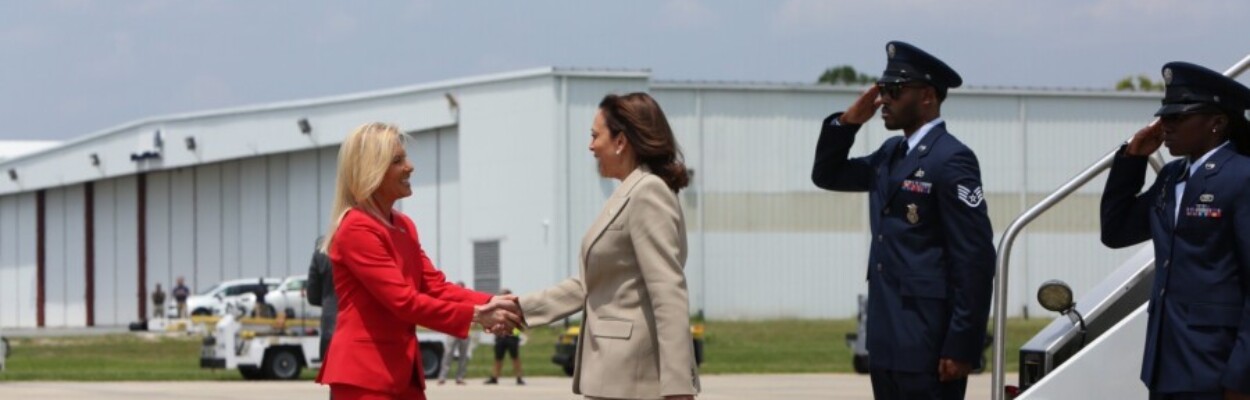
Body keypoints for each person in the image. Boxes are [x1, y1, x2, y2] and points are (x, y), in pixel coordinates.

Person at [810, 41, 995, 400]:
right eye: (882, 90)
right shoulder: (890, 154)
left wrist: (962, 345)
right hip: (887, 342)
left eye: (894, 90)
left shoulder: (951, 159)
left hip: (930, 344)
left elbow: (974, 259)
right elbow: (827, 174)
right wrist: (848, 123)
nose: (883, 101)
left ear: (927, 96)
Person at [314, 122, 523, 400]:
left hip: (400, 373)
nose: (410, 167)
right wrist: (477, 315)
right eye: (398, 161)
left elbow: (436, 287)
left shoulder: (403, 225)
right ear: (372, 172)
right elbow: (403, 301)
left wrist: (491, 302)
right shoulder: (356, 228)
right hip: (365, 377)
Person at [517, 93, 700, 400]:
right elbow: (591, 283)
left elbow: (668, 291)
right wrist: (519, 309)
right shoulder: (628, 193)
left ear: (620, 141)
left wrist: (678, 388)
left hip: (632, 381)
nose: (590, 146)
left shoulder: (647, 192)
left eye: (594, 135)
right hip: (613, 377)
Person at [1100, 62, 1250, 400]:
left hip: (1217, 367)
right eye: (1164, 116)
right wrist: (1131, 159)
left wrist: (1242, 377)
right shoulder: (1172, 177)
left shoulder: (1241, 178)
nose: (1165, 126)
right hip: (1166, 364)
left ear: (1217, 122)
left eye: (1177, 117)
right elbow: (1116, 231)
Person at [306, 235, 337, 366]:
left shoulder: (321, 251)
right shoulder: (364, 245)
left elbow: (312, 296)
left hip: (330, 325)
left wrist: (326, 301)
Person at [485, 288, 524, 386]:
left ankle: (519, 377)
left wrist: (516, 334)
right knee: (498, 358)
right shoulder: (498, 309)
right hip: (501, 336)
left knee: (515, 358)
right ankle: (494, 377)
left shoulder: (515, 309)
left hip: (512, 337)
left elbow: (519, 324)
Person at [438, 281, 473, 386]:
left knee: (463, 355)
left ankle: (460, 377)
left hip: (465, 330)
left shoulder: (468, 301)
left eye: (461, 288)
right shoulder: (451, 300)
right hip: (452, 330)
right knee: (448, 353)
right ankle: (442, 377)